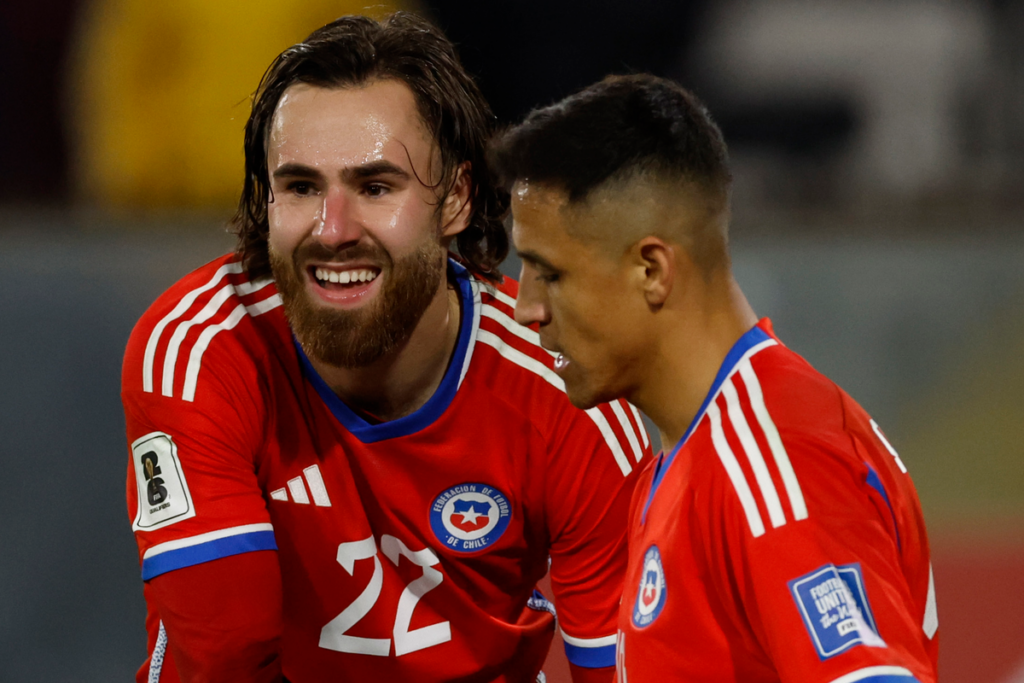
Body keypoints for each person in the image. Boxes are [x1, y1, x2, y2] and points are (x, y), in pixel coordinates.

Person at [121, 14, 649, 683]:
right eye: (301, 186)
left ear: (456, 199)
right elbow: (224, 651)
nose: (333, 229)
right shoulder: (198, 351)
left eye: (375, 187)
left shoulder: (572, 395)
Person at [493, 74, 938, 683]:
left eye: (550, 273)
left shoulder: (773, 456)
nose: (527, 307)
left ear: (651, 269)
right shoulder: (700, 453)